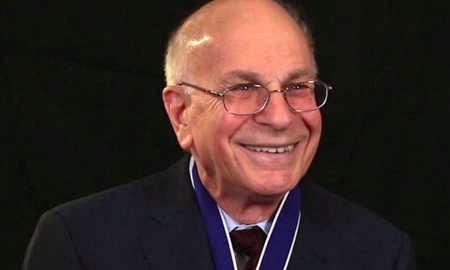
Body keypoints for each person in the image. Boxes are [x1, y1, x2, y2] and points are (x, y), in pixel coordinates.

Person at [23, 0, 416, 269]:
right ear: (181, 113)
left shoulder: (379, 253)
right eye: (243, 89)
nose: (280, 117)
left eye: (298, 86)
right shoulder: (82, 245)